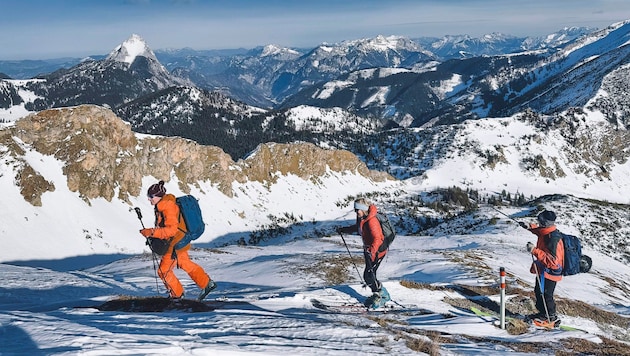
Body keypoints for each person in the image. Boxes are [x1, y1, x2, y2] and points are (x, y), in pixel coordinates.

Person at [140, 180, 216, 301]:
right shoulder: (164, 205)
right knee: (184, 263)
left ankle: (177, 295)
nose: (149, 199)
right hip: (181, 241)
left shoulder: (167, 207)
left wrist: (151, 232)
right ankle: (207, 284)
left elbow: (171, 231)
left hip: (175, 243)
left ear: (158, 196)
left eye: (151, 197)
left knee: (163, 271)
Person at [337, 198, 390, 309]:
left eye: (358, 210)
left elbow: (377, 239)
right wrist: (344, 230)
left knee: (369, 275)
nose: (356, 212)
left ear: (363, 209)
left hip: (377, 251)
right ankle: (377, 293)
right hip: (369, 250)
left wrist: (372, 251)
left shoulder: (372, 221)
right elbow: (358, 229)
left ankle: (383, 295)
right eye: (355, 210)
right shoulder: (362, 218)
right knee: (369, 275)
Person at [519, 210, 564, 325]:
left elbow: (553, 261)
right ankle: (543, 314)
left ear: (545, 222)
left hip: (551, 271)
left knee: (546, 295)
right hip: (544, 270)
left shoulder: (553, 239)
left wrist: (534, 251)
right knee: (539, 292)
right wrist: (529, 227)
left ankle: (550, 317)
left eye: (540, 221)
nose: (538, 223)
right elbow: (540, 232)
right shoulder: (547, 232)